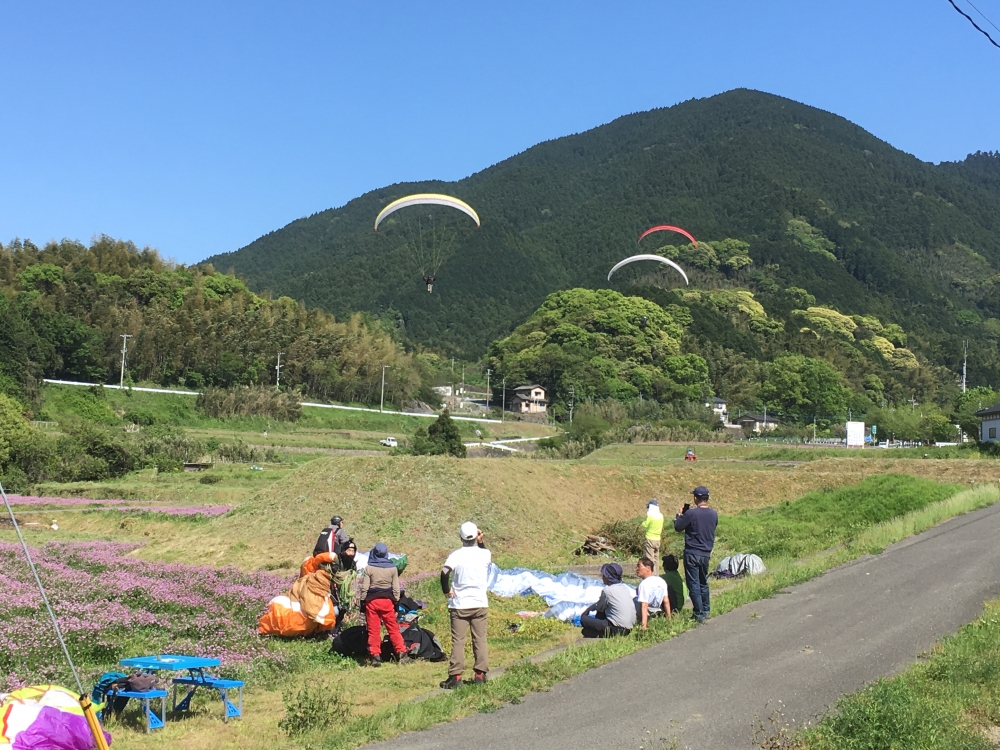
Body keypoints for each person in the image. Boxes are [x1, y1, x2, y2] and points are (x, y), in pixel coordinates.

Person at [440, 522, 491, 689]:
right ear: (476, 536)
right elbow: (484, 552)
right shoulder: (485, 554)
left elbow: (445, 573)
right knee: (480, 638)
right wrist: (481, 541)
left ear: (460, 537)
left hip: (460, 604)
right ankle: (480, 674)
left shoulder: (456, 555)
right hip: (479, 603)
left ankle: (455, 676)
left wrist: (447, 590)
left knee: (458, 640)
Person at [359, 543, 410, 667]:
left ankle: (375, 657)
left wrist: (362, 601)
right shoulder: (392, 568)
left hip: (372, 602)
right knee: (393, 628)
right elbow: (396, 588)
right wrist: (396, 602)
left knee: (373, 630)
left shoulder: (369, 568)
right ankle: (402, 653)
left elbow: (364, 588)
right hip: (387, 602)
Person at [674, 485, 718, 623]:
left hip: (692, 552)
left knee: (693, 583)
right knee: (703, 582)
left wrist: (679, 515)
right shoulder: (713, 514)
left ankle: (698, 613)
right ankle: (706, 609)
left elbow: (678, 527)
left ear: (695, 498)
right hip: (706, 552)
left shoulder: (691, 514)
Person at [579, 562, 636, 638]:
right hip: (629, 628)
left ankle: (598, 633)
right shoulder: (624, 588)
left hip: (616, 628)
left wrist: (588, 610)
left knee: (584, 619)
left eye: (603, 575)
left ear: (607, 577)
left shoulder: (608, 591)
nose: (602, 577)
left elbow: (599, 607)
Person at [634, 557, 670, 629]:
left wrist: (643, 626)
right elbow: (666, 600)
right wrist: (669, 619)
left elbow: (644, 605)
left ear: (648, 568)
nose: (637, 569)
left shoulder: (644, 584)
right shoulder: (661, 581)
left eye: (639, 566)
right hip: (657, 609)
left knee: (633, 599)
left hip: (647, 611)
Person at [641, 499, 664, 572]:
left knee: (649, 558)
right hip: (657, 539)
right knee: (656, 558)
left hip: (650, 539)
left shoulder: (650, 516)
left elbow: (645, 524)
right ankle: (656, 573)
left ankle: (651, 574)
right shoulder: (661, 516)